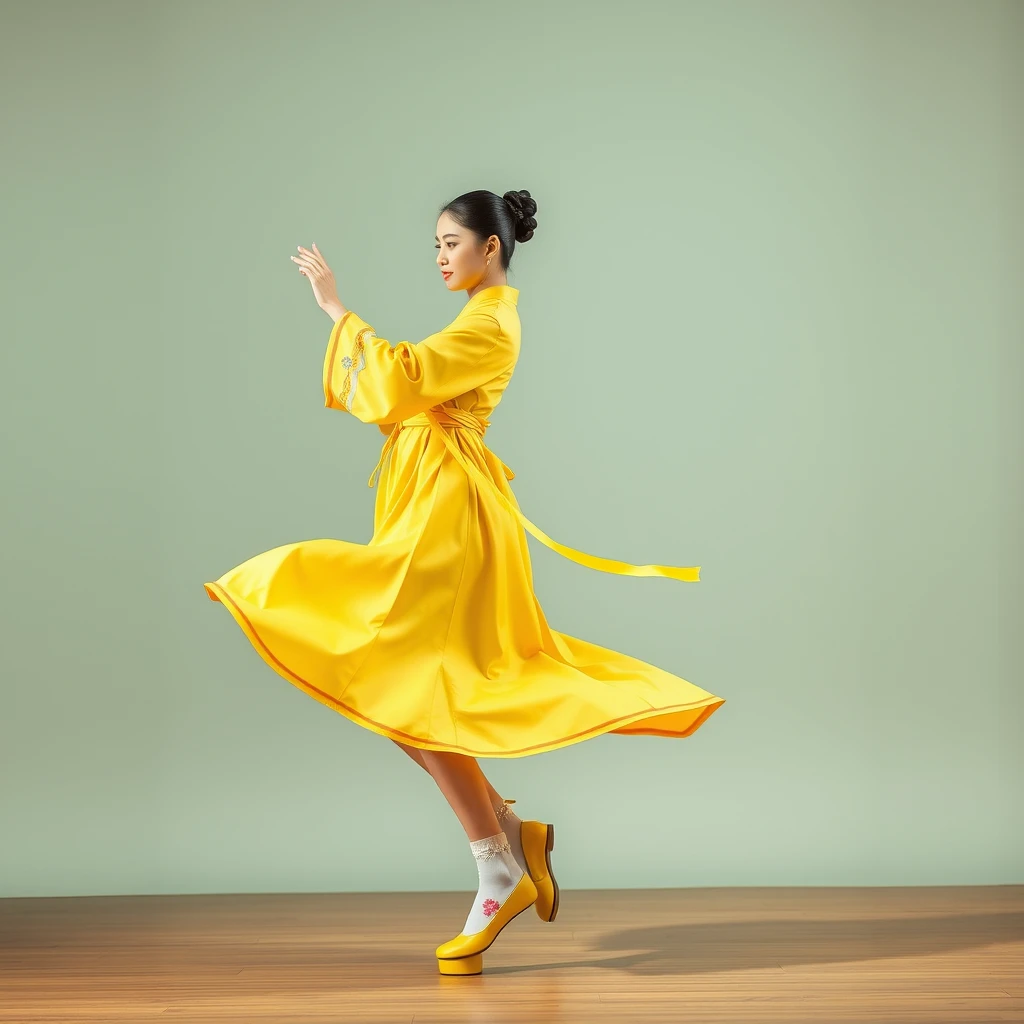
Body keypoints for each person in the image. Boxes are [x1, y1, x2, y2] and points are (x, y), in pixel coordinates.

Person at [204, 188, 725, 976]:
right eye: (436, 245)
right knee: (405, 689)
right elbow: (403, 399)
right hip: (426, 507)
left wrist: (336, 310)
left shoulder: (490, 321)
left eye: (453, 242)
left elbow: (402, 381)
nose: (442, 256)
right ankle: (509, 840)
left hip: (450, 520)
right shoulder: (476, 318)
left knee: (413, 684)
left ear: (492, 248)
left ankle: (498, 864)